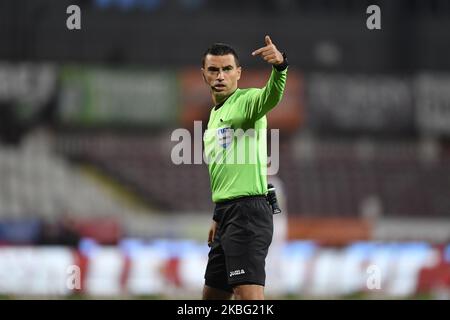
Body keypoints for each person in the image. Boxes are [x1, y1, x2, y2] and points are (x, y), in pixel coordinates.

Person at [201, 36, 288, 300]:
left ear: (238, 73)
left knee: (249, 298)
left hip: (247, 214)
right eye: (214, 69)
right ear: (204, 74)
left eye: (227, 69)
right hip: (227, 216)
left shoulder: (247, 102)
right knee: (212, 298)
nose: (220, 75)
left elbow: (270, 96)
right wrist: (218, 216)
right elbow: (226, 173)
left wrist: (280, 67)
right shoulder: (215, 116)